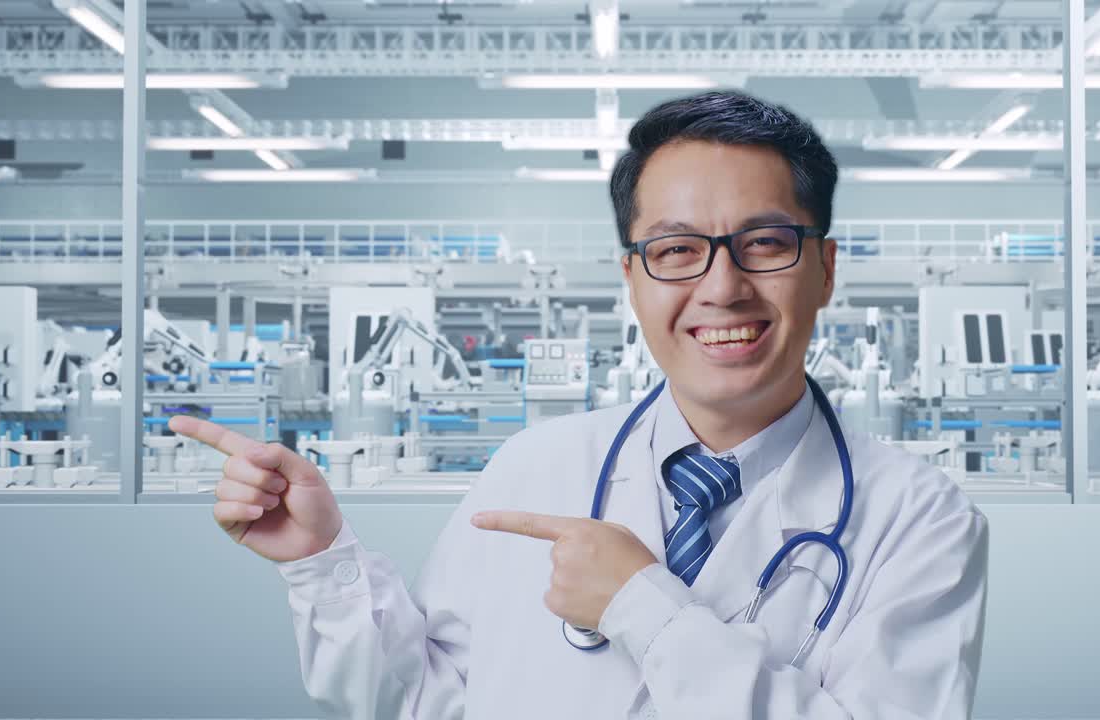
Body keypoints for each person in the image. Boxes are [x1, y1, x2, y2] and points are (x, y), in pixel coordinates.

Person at [171, 90, 989, 719]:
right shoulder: (534, 468)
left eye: (765, 244)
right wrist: (324, 564)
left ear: (826, 269)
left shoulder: (921, 519)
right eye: (675, 250)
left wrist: (644, 608)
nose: (722, 287)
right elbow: (428, 701)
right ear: (632, 277)